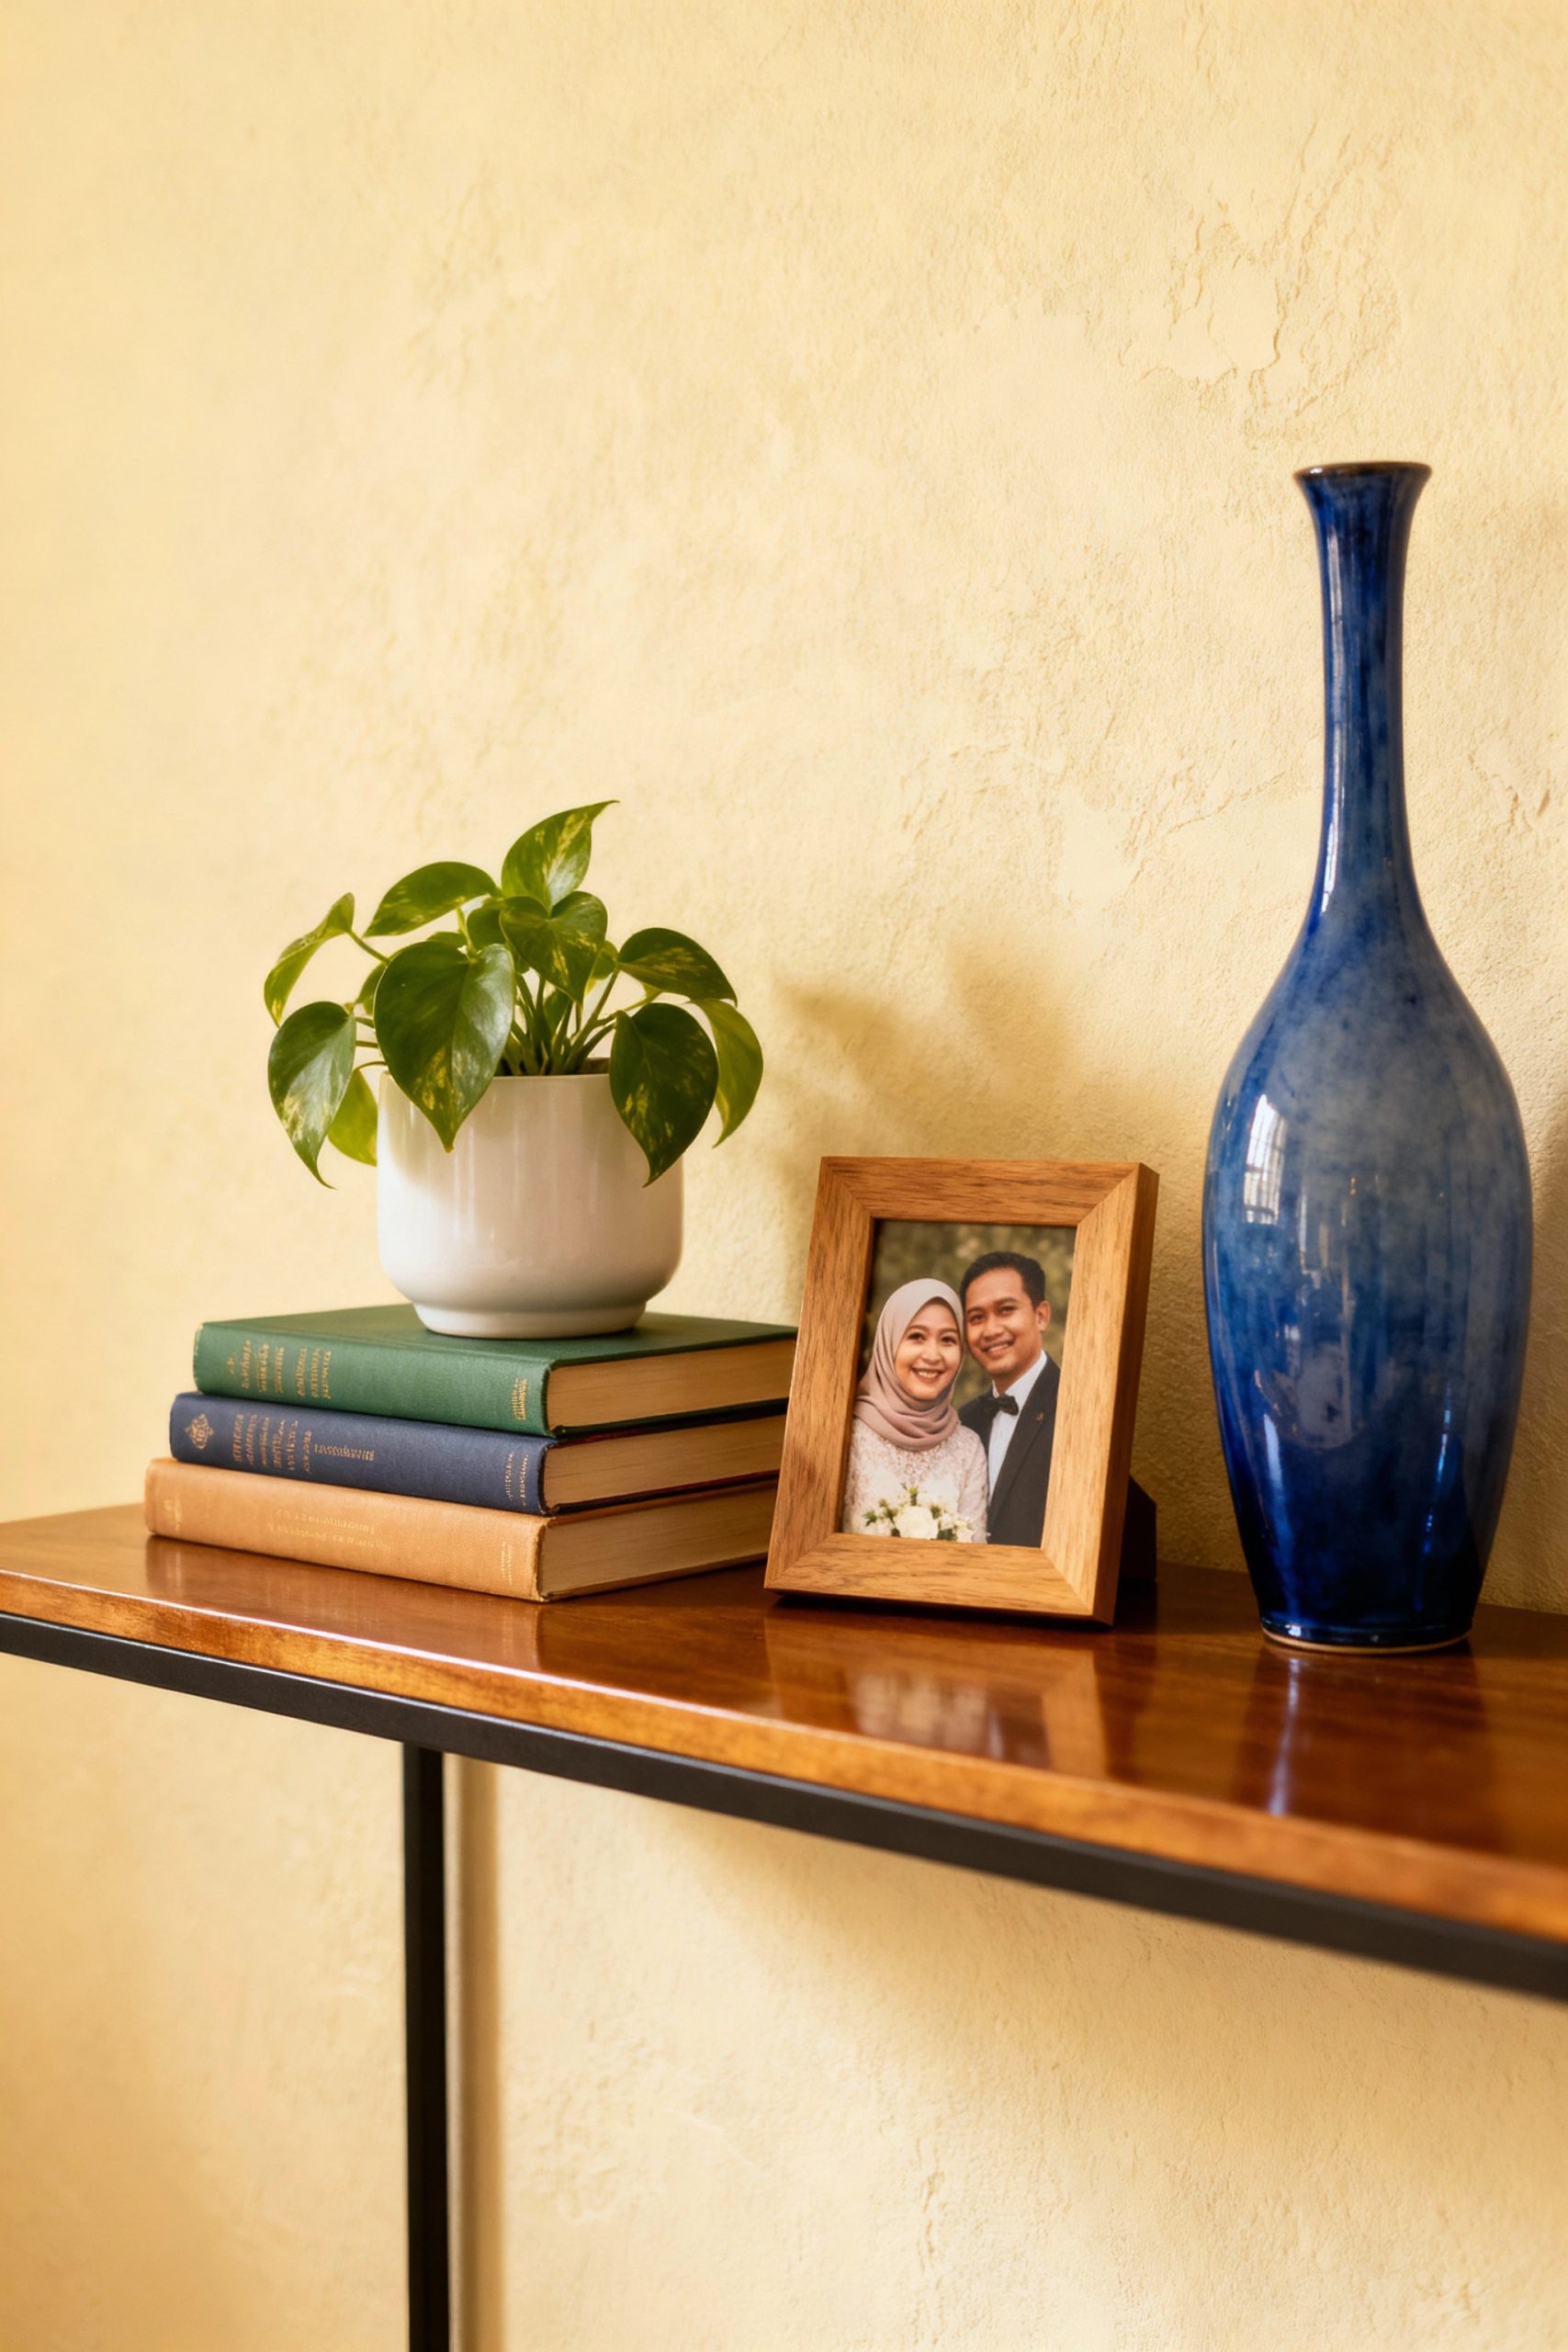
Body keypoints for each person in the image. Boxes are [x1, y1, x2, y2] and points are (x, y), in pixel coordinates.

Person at [841, 1280, 988, 1540]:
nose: (932, 1355)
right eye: (916, 1337)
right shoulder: (846, 1435)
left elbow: (974, 1555)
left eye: (948, 1340)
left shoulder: (969, 1448)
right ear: (889, 1343)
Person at [958, 1251, 1060, 1546]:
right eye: (976, 1318)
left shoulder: (1076, 1409)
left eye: (1005, 1310)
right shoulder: (965, 1420)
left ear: (1040, 1316)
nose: (990, 1330)